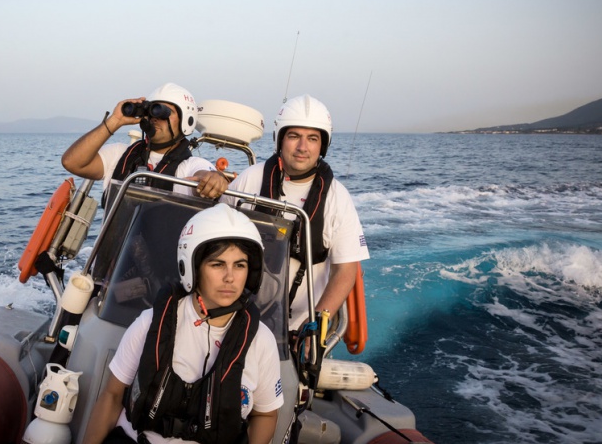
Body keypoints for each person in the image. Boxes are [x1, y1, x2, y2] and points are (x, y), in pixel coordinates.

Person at [81, 204, 284, 444]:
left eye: (240, 265)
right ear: (192, 268)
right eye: (217, 264)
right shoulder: (151, 323)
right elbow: (112, 395)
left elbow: (265, 413)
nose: (230, 277)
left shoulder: (260, 340)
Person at [220, 95, 370, 330]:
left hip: (300, 328)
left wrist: (317, 324)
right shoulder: (249, 180)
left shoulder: (337, 198)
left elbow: (346, 270)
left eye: (312, 138)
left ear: (323, 145)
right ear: (279, 139)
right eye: (294, 136)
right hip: (238, 318)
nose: (302, 147)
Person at [61, 83, 230, 201]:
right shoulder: (121, 155)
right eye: (152, 110)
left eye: (164, 112)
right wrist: (115, 121)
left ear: (186, 120)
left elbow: (204, 175)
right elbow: (72, 162)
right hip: (115, 252)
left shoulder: (189, 166)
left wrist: (214, 178)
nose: (155, 118)